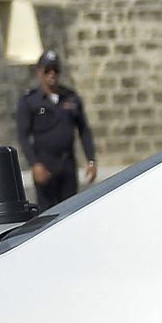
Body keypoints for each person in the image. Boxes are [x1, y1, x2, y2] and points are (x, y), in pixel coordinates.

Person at [14, 49, 96, 210]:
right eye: (47, 70)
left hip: (67, 164)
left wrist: (91, 160)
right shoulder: (31, 100)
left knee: (70, 210)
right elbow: (23, 135)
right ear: (39, 72)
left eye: (56, 70)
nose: (52, 74)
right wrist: (35, 164)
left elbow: (84, 130)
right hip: (46, 163)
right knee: (47, 212)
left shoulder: (70, 98)